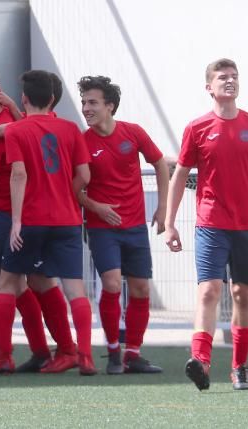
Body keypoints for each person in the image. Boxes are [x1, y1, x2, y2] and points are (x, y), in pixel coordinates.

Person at [164, 58, 248, 391]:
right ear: (209, 87)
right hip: (210, 223)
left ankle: (239, 367)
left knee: (242, 294)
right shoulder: (197, 127)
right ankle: (201, 361)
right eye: (223, 77)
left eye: (234, 76)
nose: (230, 81)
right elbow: (180, 176)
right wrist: (170, 222)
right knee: (209, 290)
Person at [0, 70, 93, 375]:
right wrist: (64, 197)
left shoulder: (17, 130)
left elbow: (18, 174)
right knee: (73, 289)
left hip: (32, 219)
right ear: (53, 99)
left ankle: (4, 356)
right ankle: (84, 356)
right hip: (67, 221)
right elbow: (85, 176)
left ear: (24, 99)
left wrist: (15, 221)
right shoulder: (71, 129)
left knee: (6, 282)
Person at [75, 75, 169, 375]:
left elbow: (160, 164)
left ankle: (133, 355)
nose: (86, 108)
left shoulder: (133, 132)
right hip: (102, 228)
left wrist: (163, 208)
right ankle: (113, 350)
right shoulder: (82, 142)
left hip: (135, 226)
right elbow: (72, 188)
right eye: (84, 102)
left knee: (140, 289)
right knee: (112, 284)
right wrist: (95, 206)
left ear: (110, 106)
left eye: (92, 102)